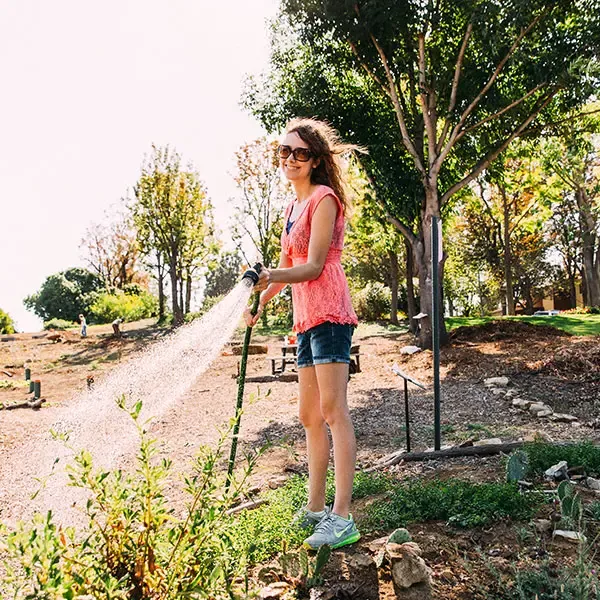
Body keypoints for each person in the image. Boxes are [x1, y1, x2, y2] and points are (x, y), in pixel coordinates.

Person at [245, 118, 362, 550]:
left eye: (300, 153)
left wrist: (270, 274)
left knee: (333, 410)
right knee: (309, 415)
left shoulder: (323, 199)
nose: (290, 159)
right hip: (305, 318)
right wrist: (261, 298)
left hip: (329, 312)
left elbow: (312, 266)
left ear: (315, 160)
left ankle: (342, 516)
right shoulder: (292, 208)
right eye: (284, 151)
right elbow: (285, 266)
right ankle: (316, 507)